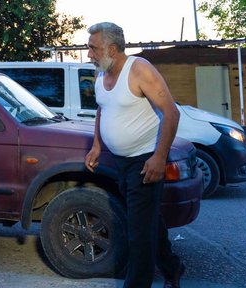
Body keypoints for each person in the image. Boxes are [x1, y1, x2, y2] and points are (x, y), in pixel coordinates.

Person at [83, 22, 184, 288]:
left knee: (137, 235)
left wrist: (159, 158)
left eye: (93, 48)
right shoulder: (100, 76)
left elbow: (172, 113)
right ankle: (173, 268)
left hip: (146, 161)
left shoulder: (139, 69)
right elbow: (102, 110)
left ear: (112, 49)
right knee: (147, 222)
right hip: (122, 163)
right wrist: (96, 145)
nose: (89, 54)